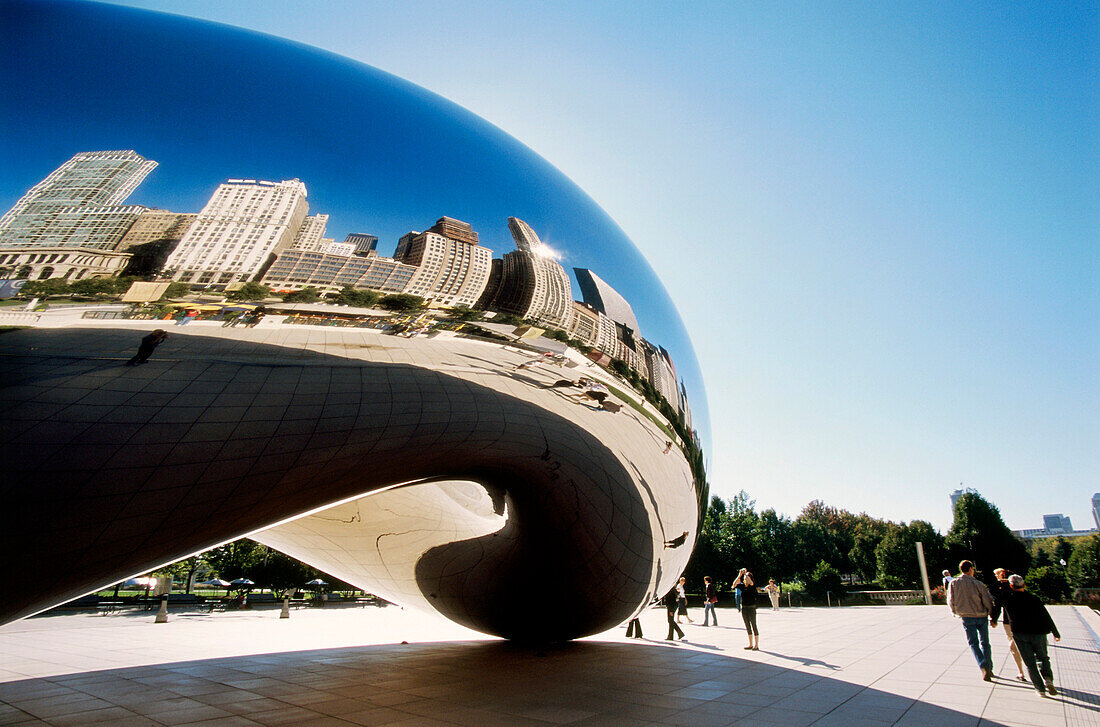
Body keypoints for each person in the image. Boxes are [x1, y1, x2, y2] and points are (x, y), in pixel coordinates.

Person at [999, 574, 1060, 697]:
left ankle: (1040, 689)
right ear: (1024, 585)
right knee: (1043, 657)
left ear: (1011, 586)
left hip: (1020, 633)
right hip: (1038, 632)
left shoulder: (1008, 600)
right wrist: (1055, 632)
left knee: (1030, 663)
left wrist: (1002, 583)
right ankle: (1048, 678)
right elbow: (1045, 615)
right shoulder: (1034, 598)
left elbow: (995, 593)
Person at [947, 560, 995, 681]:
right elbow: (986, 599)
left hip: (966, 616)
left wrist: (954, 612)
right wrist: (991, 613)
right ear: (971, 569)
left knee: (973, 643)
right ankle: (988, 666)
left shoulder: (954, 583)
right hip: (981, 615)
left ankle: (983, 665)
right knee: (985, 642)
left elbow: (950, 599)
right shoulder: (978, 583)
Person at [989, 568, 1028, 683]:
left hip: (1009, 620)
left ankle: (1021, 671)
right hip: (1024, 620)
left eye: (997, 575)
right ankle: (1027, 670)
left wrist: (993, 619)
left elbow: (997, 604)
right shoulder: (1019, 588)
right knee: (1019, 644)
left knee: (1013, 644)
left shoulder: (1000, 588)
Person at [733, 568, 759, 650]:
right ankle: (750, 644)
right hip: (744, 608)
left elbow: (751, 583)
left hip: (751, 608)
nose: (745, 579)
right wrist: (739, 575)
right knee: (747, 626)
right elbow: (734, 585)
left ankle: (756, 645)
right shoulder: (742, 586)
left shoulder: (752, 585)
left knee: (754, 625)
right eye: (745, 578)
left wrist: (745, 574)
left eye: (747, 577)